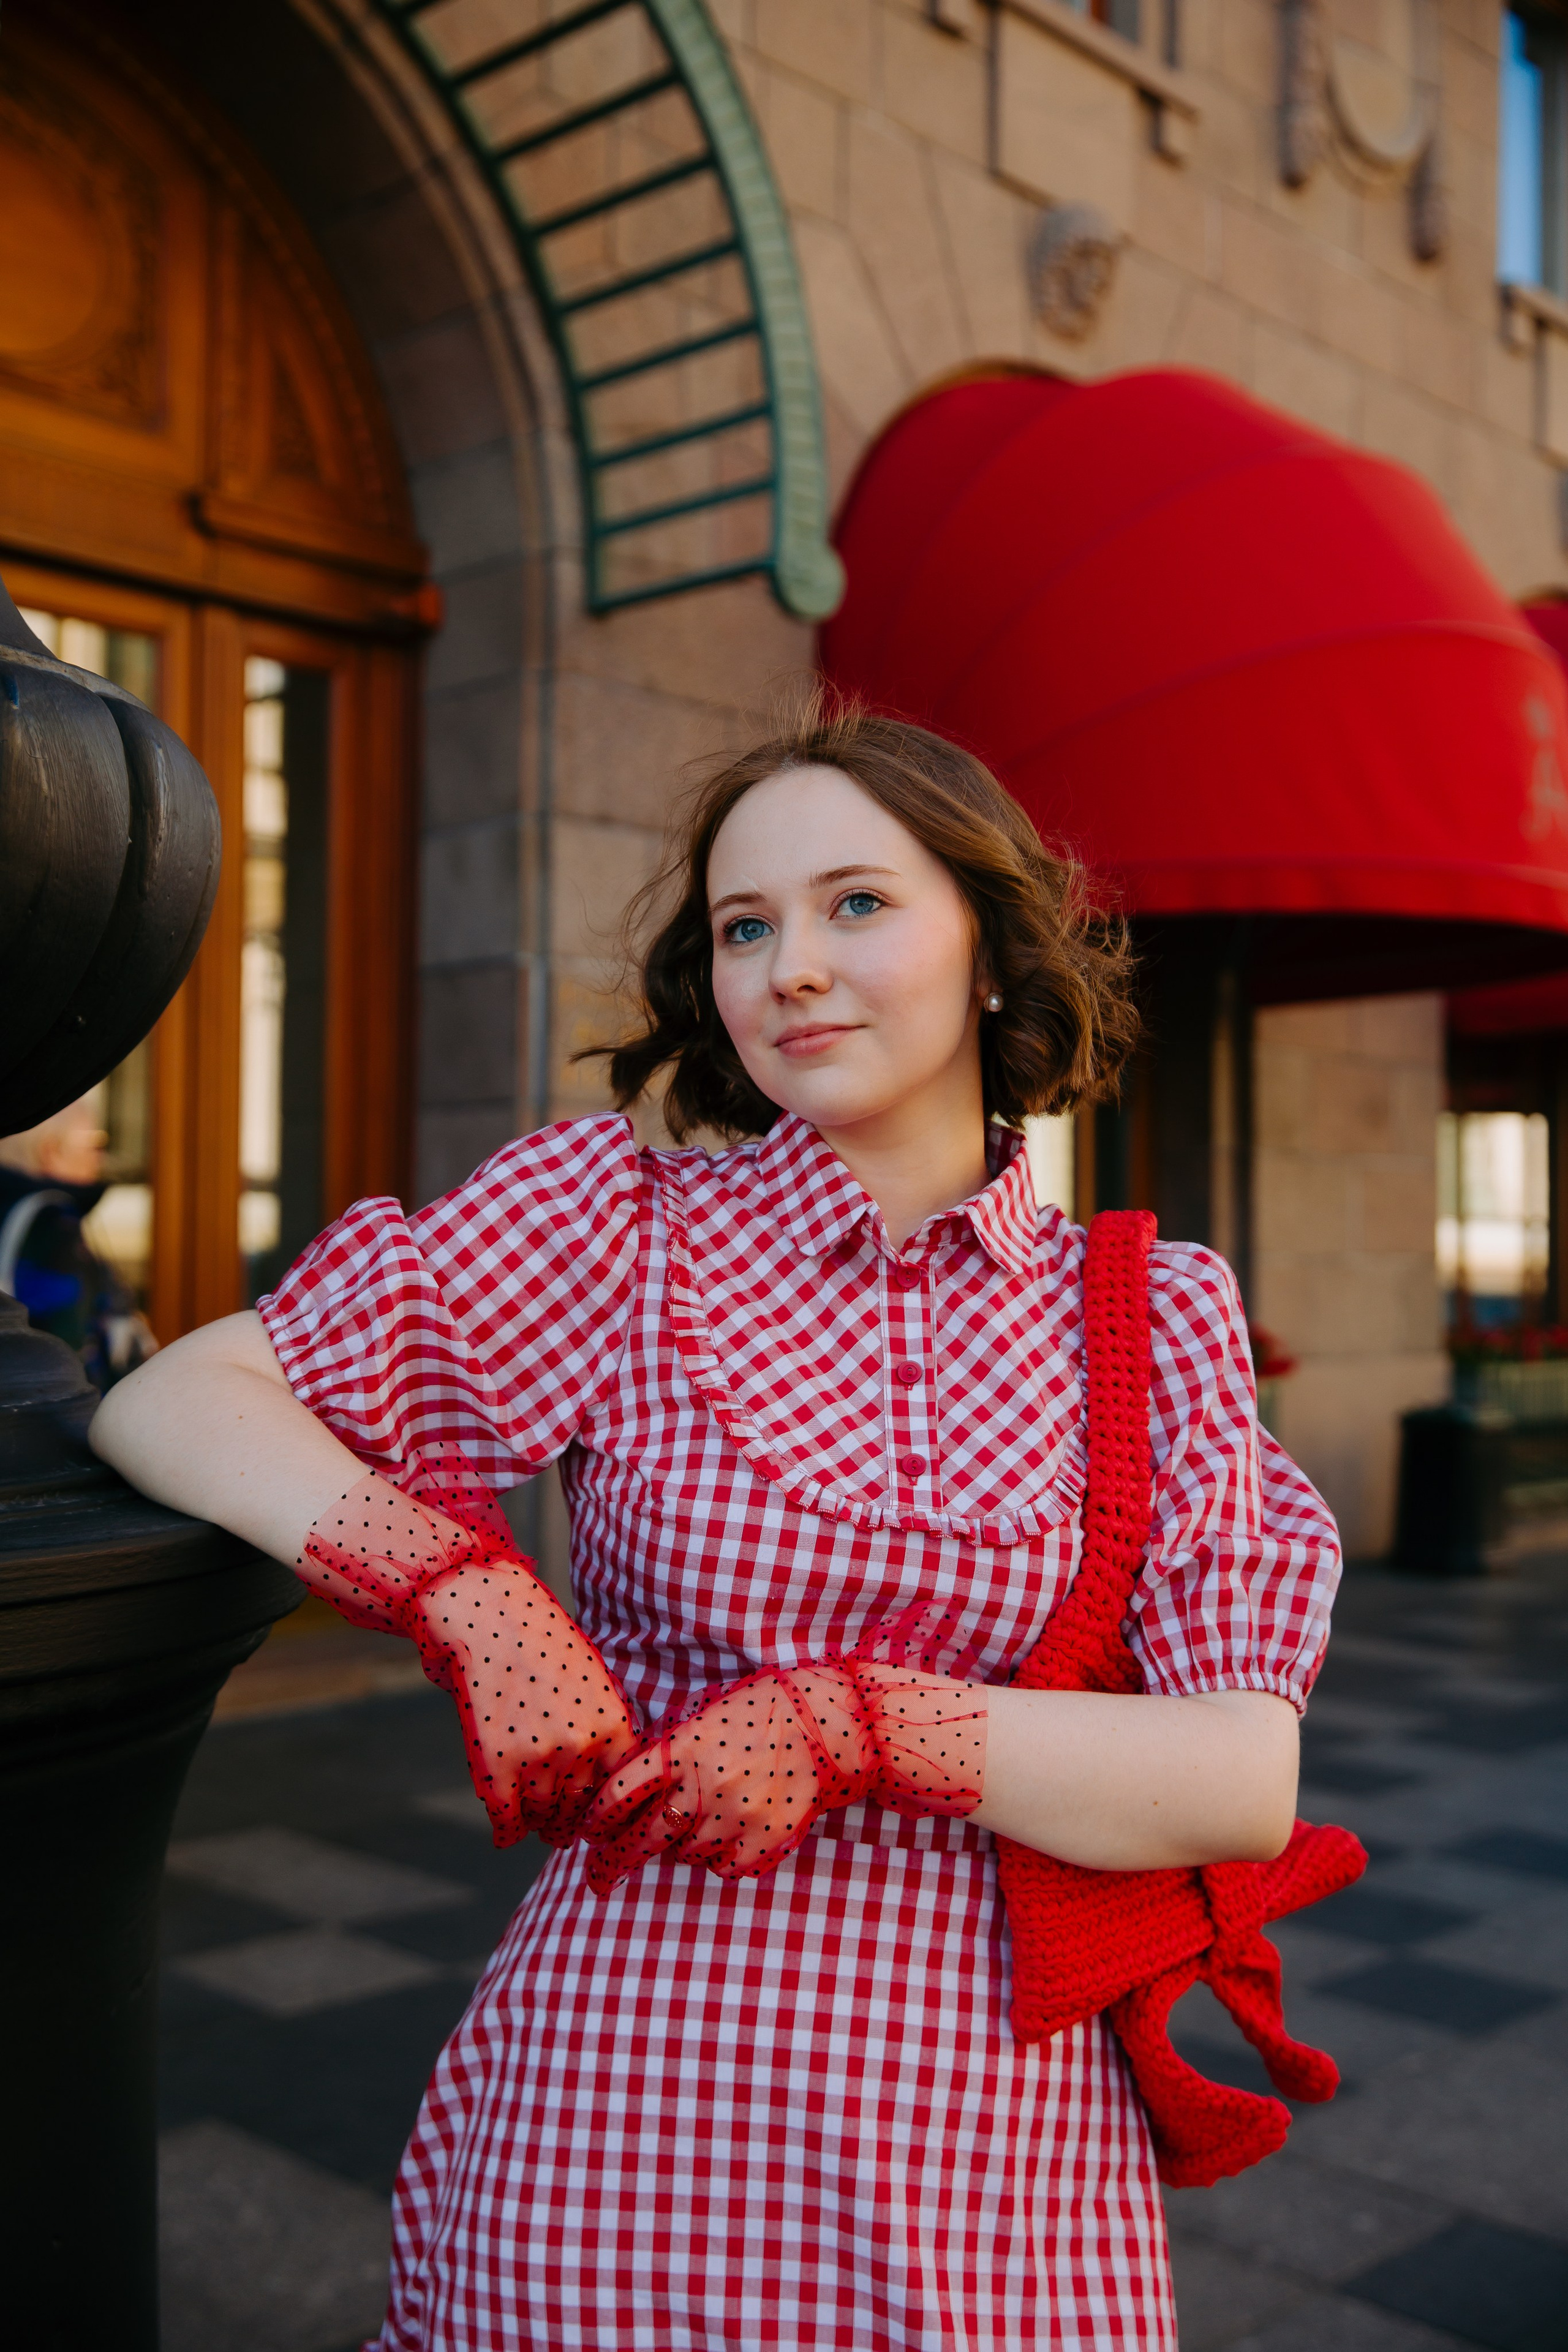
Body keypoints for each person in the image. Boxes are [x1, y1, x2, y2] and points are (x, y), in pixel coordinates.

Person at [92, 704, 1340, 2349]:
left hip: (991, 2139)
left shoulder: (1145, 1317)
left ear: (987, 949)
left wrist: (865, 1725)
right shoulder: (619, 1231)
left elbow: (1242, 1780)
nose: (791, 967)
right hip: (625, 2101)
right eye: (744, 928)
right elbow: (173, 1396)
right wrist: (468, 1592)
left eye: (855, 904)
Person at [0, 1092, 157, 1391]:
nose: (101, 1157)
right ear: (51, 1150)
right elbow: (67, 1351)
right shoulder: (53, 1226)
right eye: (96, 1142)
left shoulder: (14, 1209)